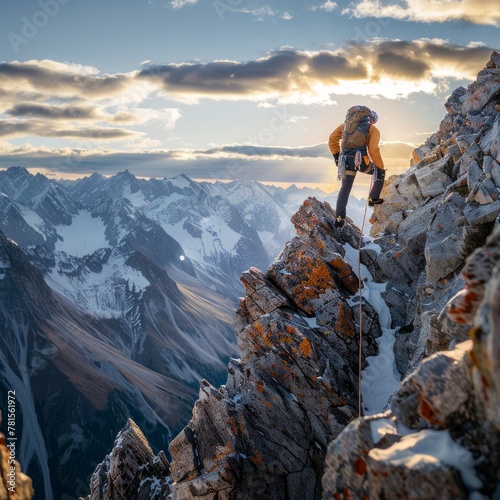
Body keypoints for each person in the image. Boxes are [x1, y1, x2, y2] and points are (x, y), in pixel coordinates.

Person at [328, 109, 385, 227]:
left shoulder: (344, 126)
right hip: (362, 162)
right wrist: (380, 167)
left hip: (346, 161)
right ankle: (373, 199)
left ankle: (339, 219)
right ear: (371, 119)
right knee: (379, 174)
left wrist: (337, 157)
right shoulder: (372, 129)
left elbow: (332, 139)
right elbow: (374, 149)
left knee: (345, 188)